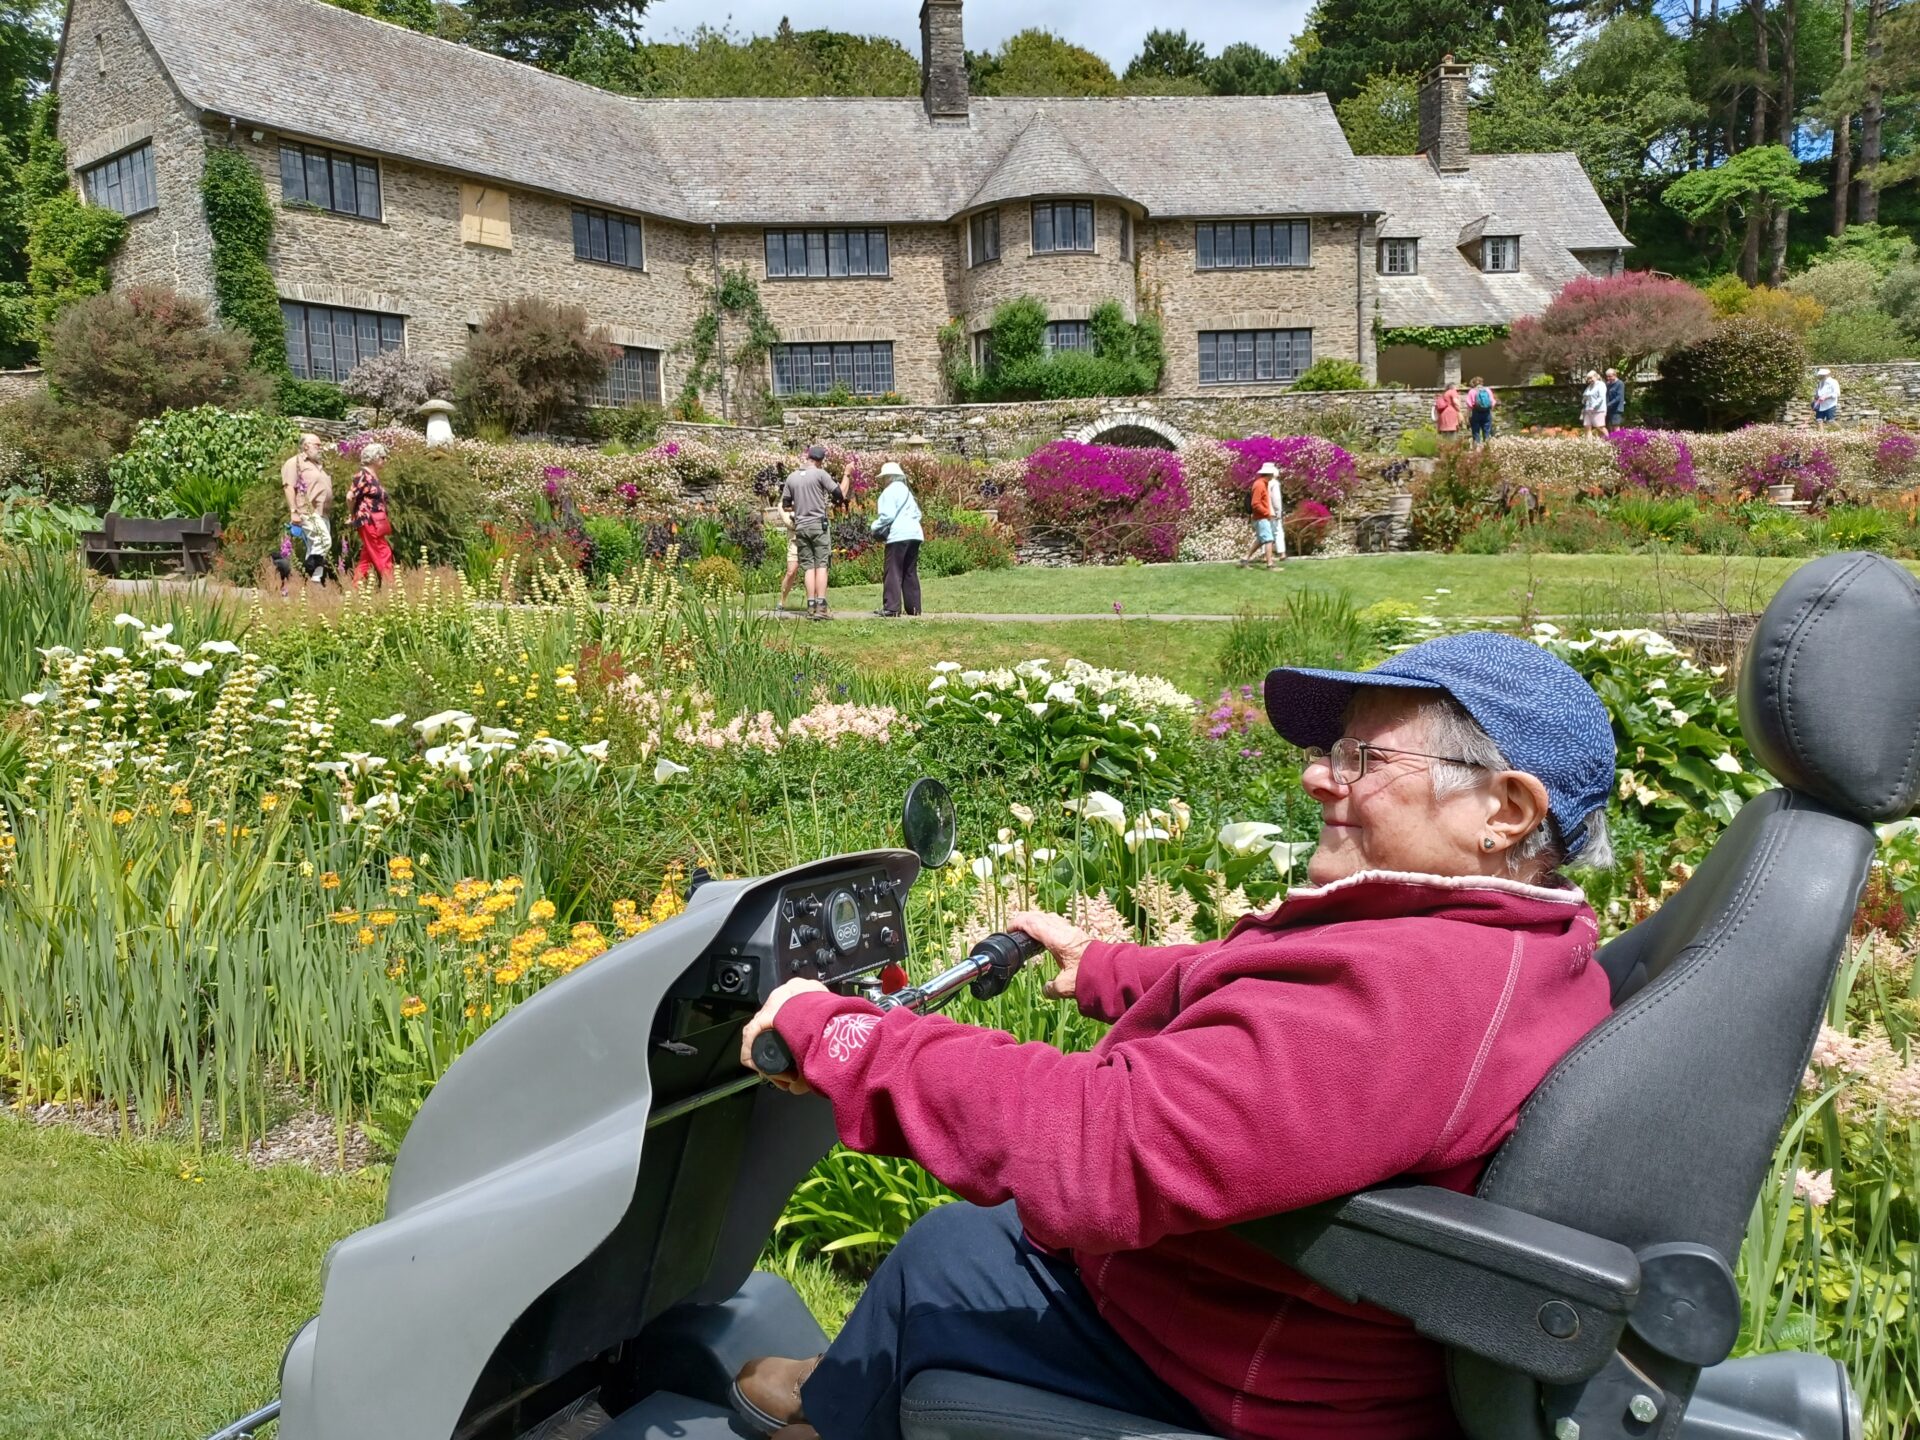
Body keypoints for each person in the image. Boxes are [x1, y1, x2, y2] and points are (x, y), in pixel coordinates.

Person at [733, 631, 1619, 1440]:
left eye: (1364, 757)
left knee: (955, 1254)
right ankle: (840, 1390)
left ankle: (833, 1414)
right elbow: (1282, 1014)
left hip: (1215, 1373)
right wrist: (1107, 967)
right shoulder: (1499, 948)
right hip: (1240, 1322)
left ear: (1504, 811)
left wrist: (848, 1038)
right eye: (1329, 752)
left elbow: (1095, 1148)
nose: (1319, 777)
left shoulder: (1413, 992)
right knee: (965, 1244)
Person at [780, 443, 849, 622]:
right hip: (818, 526)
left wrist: (801, 506)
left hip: (801, 527)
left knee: (808, 567)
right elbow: (839, 494)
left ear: (808, 457)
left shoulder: (792, 477)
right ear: (820, 461)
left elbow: (786, 505)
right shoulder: (820, 474)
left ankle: (810, 606)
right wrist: (847, 474)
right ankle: (822, 607)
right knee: (821, 565)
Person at [870, 461, 923, 619]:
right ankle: (914, 607)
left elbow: (887, 516)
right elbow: (918, 514)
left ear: (888, 477)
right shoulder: (907, 492)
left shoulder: (888, 492)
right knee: (909, 571)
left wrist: (874, 526)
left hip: (898, 535)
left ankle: (892, 608)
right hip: (915, 533)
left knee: (893, 570)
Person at [347, 442, 395, 589]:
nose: (385, 460)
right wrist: (352, 514)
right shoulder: (363, 475)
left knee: (367, 558)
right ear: (373, 458)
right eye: (382, 457)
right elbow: (350, 496)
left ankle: (356, 588)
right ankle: (392, 587)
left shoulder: (373, 476)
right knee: (383, 551)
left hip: (376, 521)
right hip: (369, 520)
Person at [1238, 460, 1284, 570]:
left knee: (1260, 539)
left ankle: (1244, 559)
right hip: (1261, 518)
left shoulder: (1263, 483)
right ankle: (1270, 564)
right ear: (1270, 474)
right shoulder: (1259, 485)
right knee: (1269, 539)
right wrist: (1267, 513)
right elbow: (1255, 503)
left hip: (1262, 517)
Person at [281, 432, 328, 527]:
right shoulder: (295, 462)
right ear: (306, 446)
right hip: (308, 514)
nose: (320, 448)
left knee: (324, 542)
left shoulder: (317, 464)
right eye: (317, 445)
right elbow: (288, 487)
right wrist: (293, 512)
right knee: (323, 542)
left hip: (323, 515)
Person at [1466, 376, 1496, 445]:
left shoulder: (1472, 391)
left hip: (1476, 413)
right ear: (1482, 382)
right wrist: (1490, 411)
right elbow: (1493, 402)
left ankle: (1477, 449)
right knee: (1487, 432)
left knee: (1476, 432)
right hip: (1487, 413)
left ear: (1473, 383)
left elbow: (1469, 405)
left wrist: (1467, 417)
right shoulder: (1488, 390)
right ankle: (1487, 448)